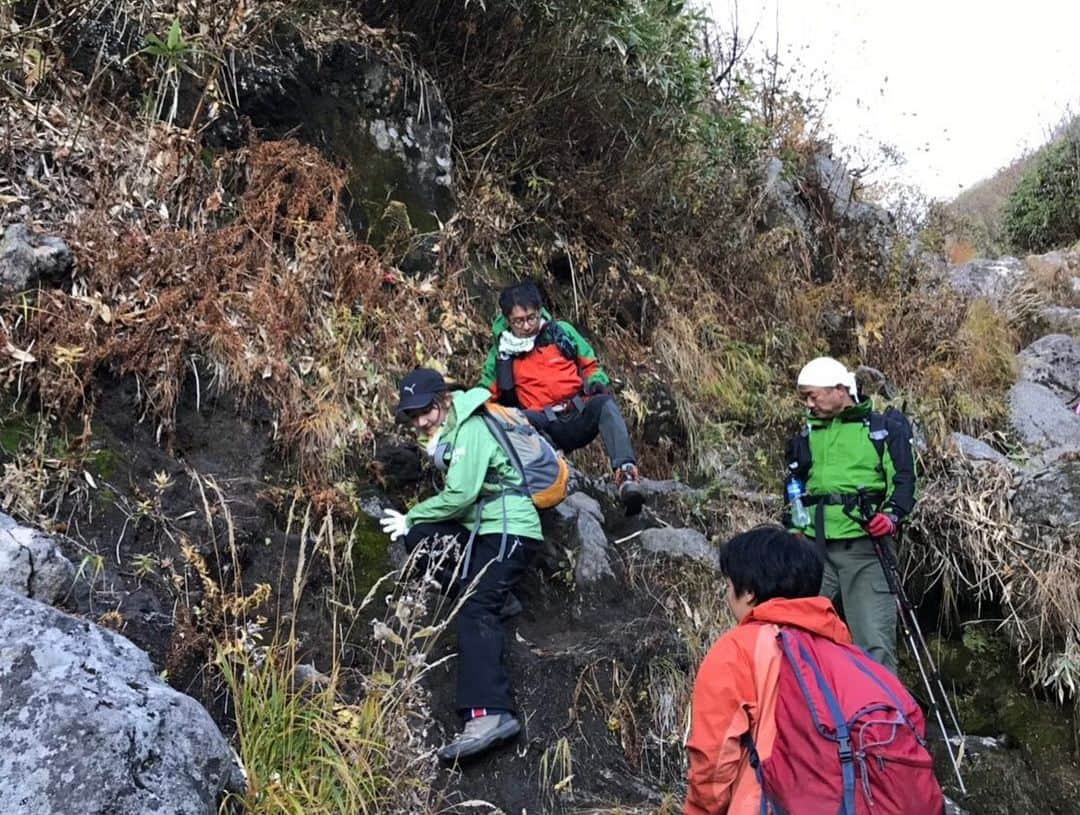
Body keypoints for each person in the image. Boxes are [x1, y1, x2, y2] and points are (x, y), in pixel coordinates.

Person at [684, 526, 943, 815]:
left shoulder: (738, 649)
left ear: (750, 592)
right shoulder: (858, 660)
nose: (727, 594)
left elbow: (714, 763)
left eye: (729, 585)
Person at [379, 367, 543, 762]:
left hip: (511, 531)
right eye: (413, 416)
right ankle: (500, 599)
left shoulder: (471, 426)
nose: (419, 422)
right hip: (483, 532)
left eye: (425, 412)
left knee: (474, 608)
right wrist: (414, 525)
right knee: (418, 540)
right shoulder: (450, 432)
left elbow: (461, 495)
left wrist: (413, 513)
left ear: (443, 401)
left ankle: (491, 713)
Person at [784, 356, 916, 674]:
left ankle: (883, 717)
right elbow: (793, 487)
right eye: (805, 397)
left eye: (813, 395)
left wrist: (892, 516)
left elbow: (903, 480)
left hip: (866, 548)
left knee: (874, 642)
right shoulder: (805, 438)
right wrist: (794, 530)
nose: (809, 403)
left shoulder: (882, 431)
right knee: (793, 634)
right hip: (814, 549)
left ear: (840, 390)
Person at [478, 281, 644, 514]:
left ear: (540, 311)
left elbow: (590, 364)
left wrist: (597, 382)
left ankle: (626, 474)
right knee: (518, 420)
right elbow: (486, 394)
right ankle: (550, 478)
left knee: (605, 405)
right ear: (507, 320)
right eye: (519, 321)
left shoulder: (561, 332)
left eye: (532, 318)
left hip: (577, 412)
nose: (527, 326)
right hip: (541, 425)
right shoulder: (502, 354)